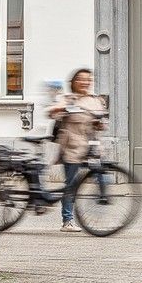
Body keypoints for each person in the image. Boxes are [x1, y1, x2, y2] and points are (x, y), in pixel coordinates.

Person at [48, 67, 106, 232]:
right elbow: (52, 113)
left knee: (102, 176)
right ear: (73, 82)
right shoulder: (68, 99)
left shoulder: (95, 100)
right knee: (71, 185)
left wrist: (99, 123)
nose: (85, 82)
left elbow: (102, 124)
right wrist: (58, 110)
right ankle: (67, 221)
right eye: (81, 79)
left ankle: (102, 199)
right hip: (72, 148)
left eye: (88, 79)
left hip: (91, 148)